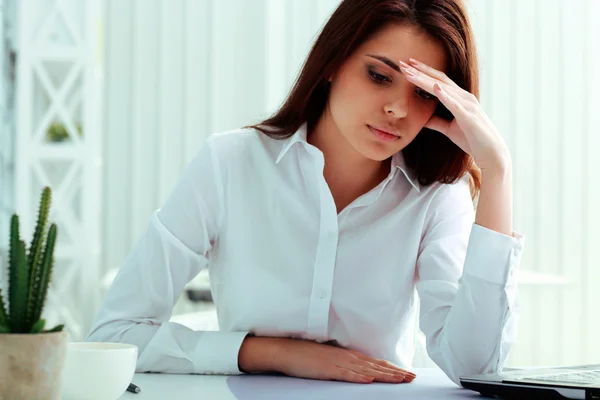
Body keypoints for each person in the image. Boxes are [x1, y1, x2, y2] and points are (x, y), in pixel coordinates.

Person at [86, 0, 524, 387]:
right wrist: (273, 353)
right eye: (379, 76)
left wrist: (497, 172)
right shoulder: (229, 164)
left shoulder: (436, 196)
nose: (399, 109)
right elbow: (116, 334)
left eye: (424, 93)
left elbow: (475, 368)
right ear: (332, 62)